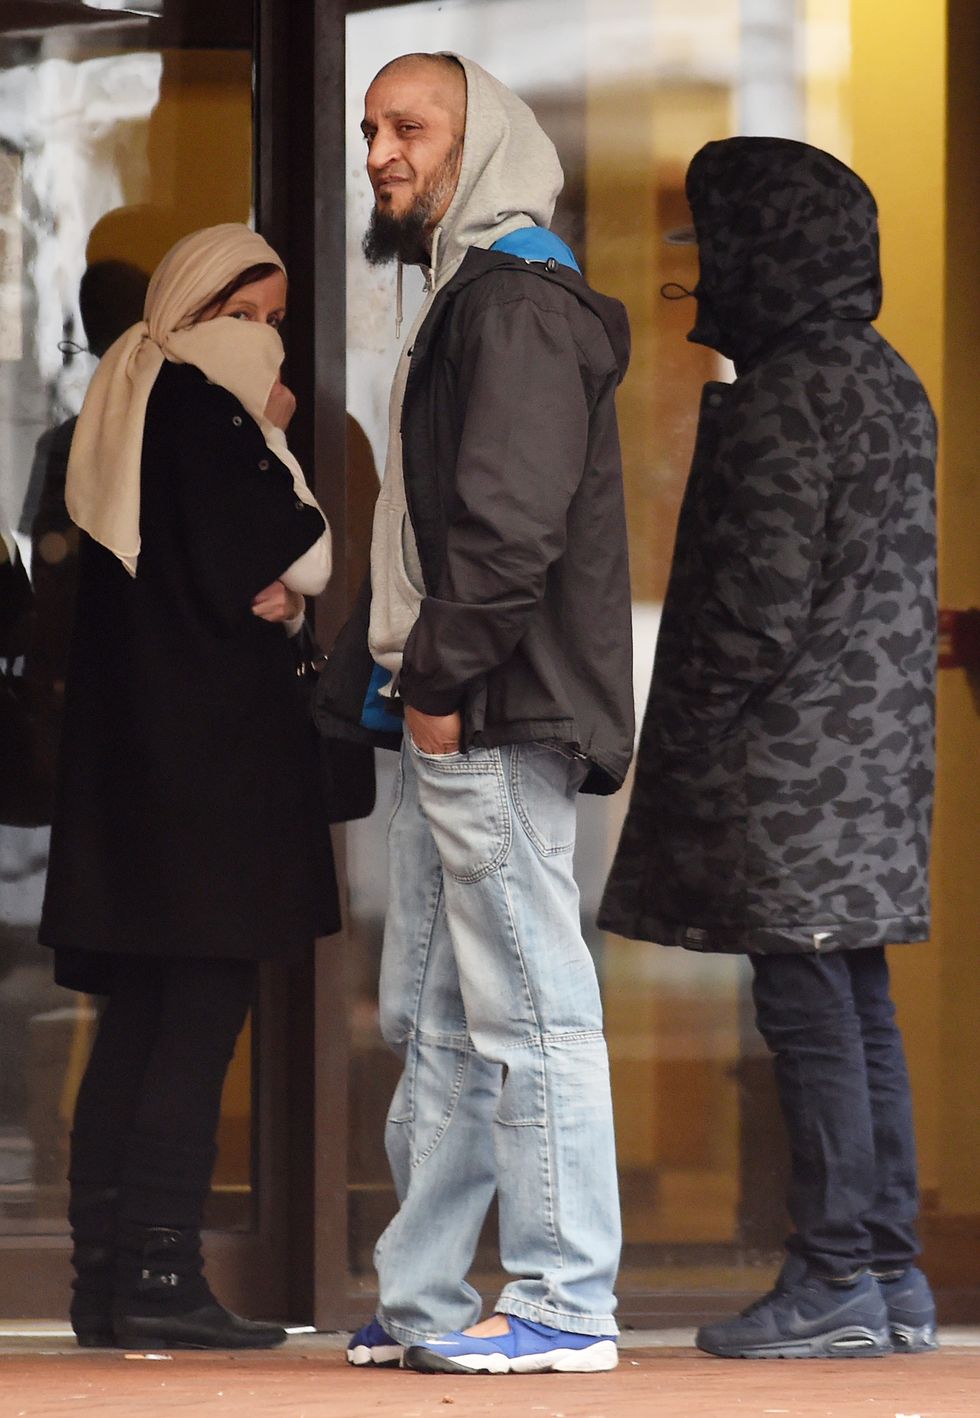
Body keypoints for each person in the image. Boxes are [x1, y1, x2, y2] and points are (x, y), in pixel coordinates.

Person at [317, 53, 633, 1375]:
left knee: (529, 1011)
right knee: (438, 1019)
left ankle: (566, 1296)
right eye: (371, 127)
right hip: (449, 704)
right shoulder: (471, 294)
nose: (381, 151)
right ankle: (432, 1291)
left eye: (411, 127)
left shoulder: (513, 304)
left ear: (482, 137)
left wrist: (440, 687)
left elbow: (505, 532)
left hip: (486, 713)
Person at [599, 138, 938, 1360]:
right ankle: (888, 1271)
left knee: (808, 1016)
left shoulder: (791, 391)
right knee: (854, 1006)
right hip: (869, 768)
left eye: (714, 242)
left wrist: (678, 734)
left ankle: (832, 1269)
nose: (701, 270)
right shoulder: (886, 379)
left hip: (790, 772)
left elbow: (754, 604)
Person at [39, 224, 338, 1350]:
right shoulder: (205, 414)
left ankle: (108, 1274)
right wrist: (278, 449)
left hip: (131, 780)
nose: (262, 343)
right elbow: (295, 551)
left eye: (273, 322)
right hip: (206, 785)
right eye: (243, 317)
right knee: (195, 1018)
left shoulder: (124, 401)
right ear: (189, 312)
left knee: (138, 1020)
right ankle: (161, 1273)